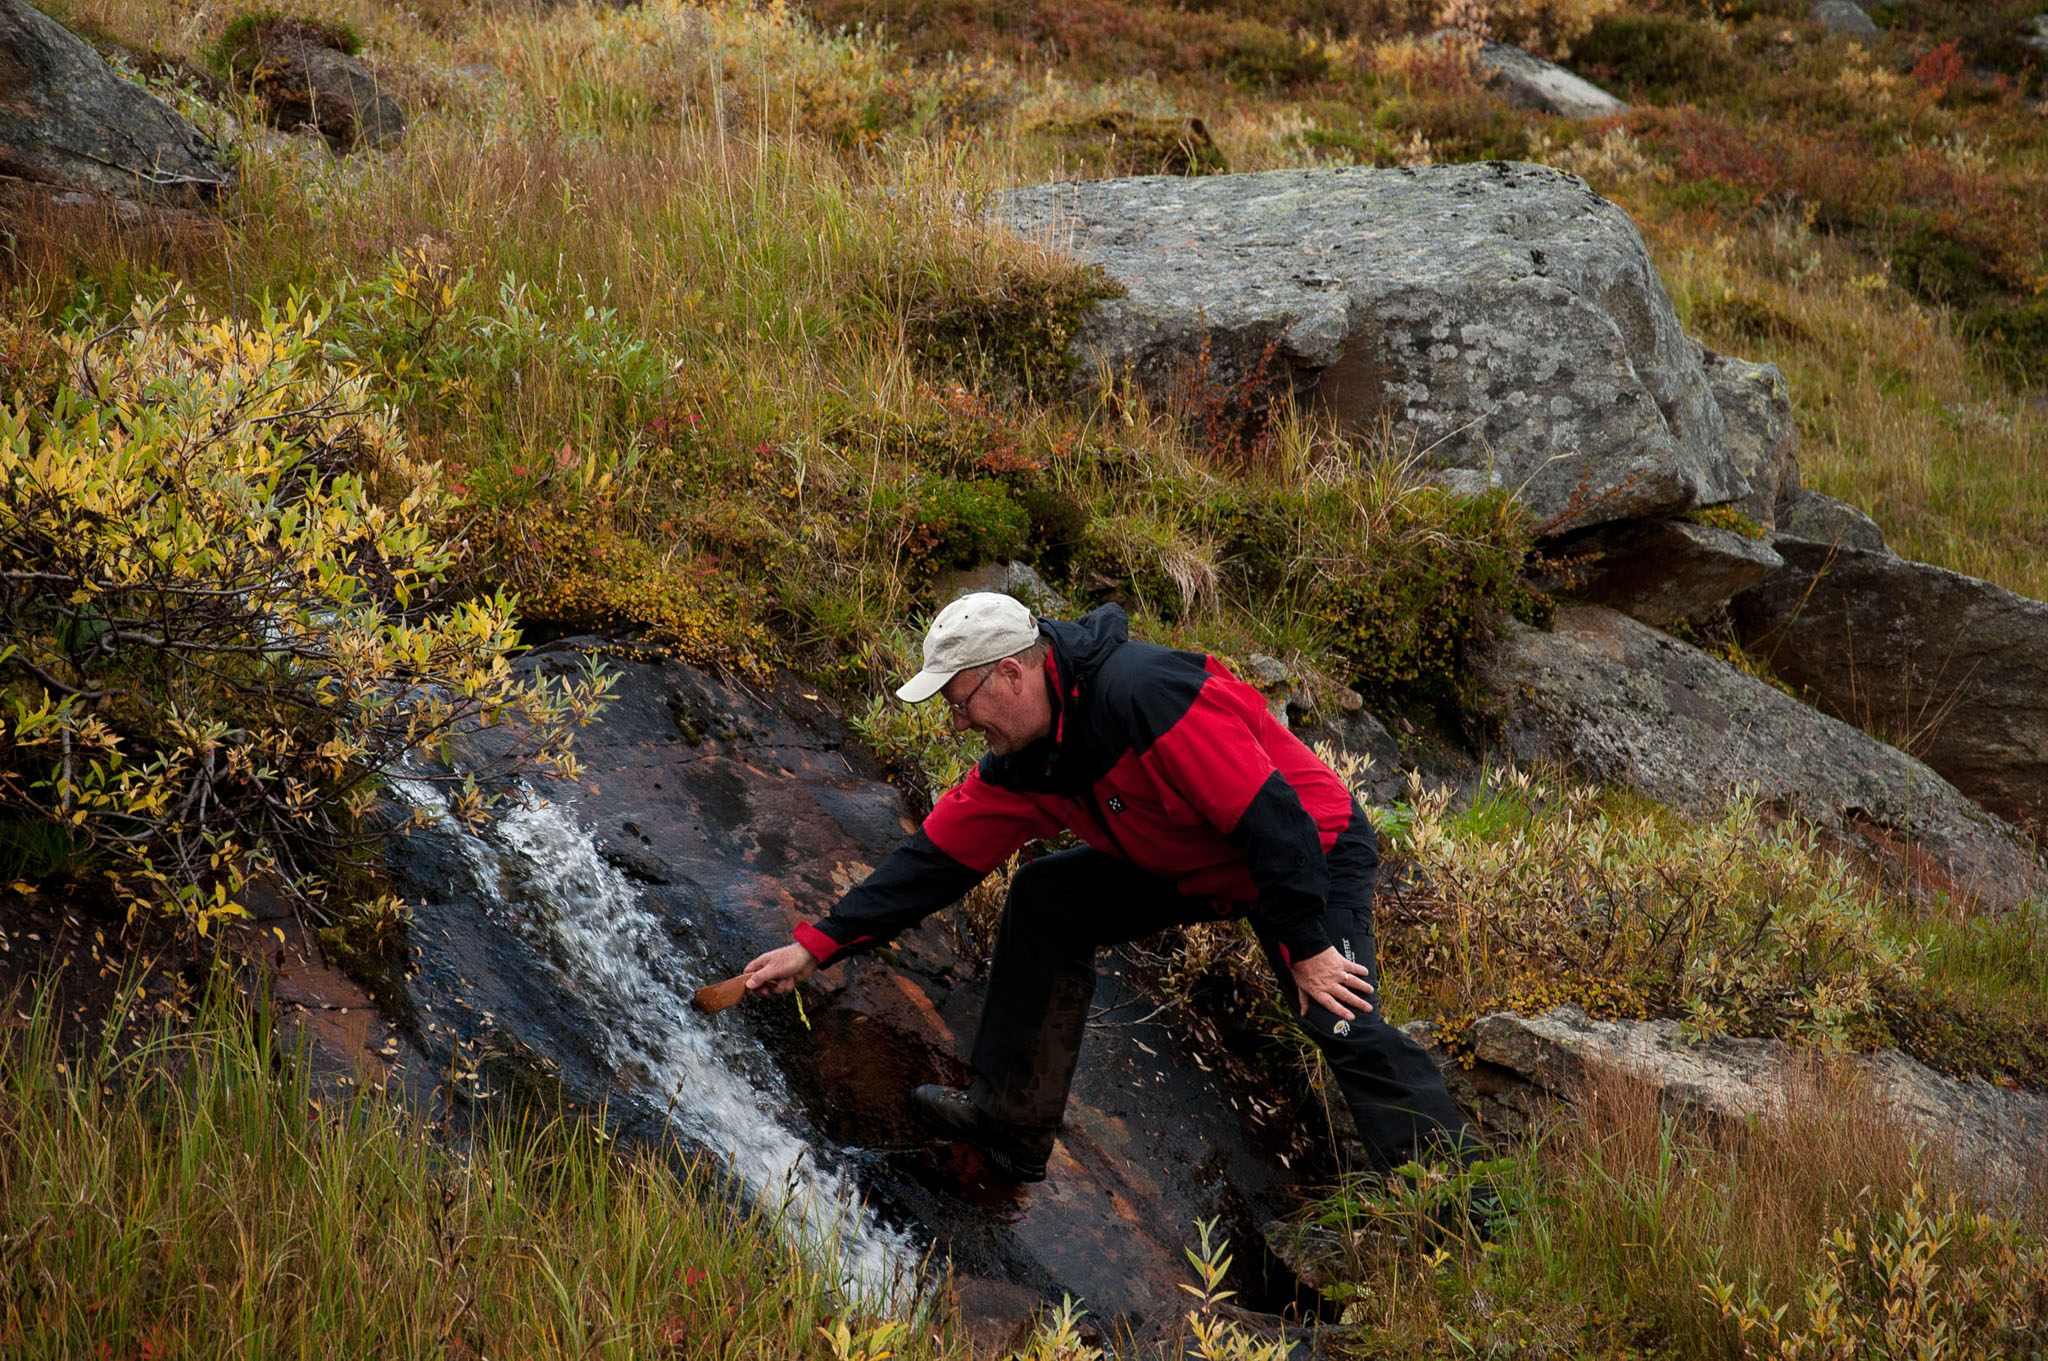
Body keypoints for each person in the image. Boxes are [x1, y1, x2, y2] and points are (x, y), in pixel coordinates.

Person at [743, 592, 1473, 1183]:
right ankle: (1009, 1117)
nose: (958, 720)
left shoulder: (1144, 694)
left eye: (961, 700)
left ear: (1012, 674)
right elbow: (932, 859)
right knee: (1045, 901)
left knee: (1335, 1010)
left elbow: (1273, 821)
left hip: (1306, 848)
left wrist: (1309, 945)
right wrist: (816, 946)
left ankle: (1452, 1202)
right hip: (1192, 860)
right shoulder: (1028, 759)